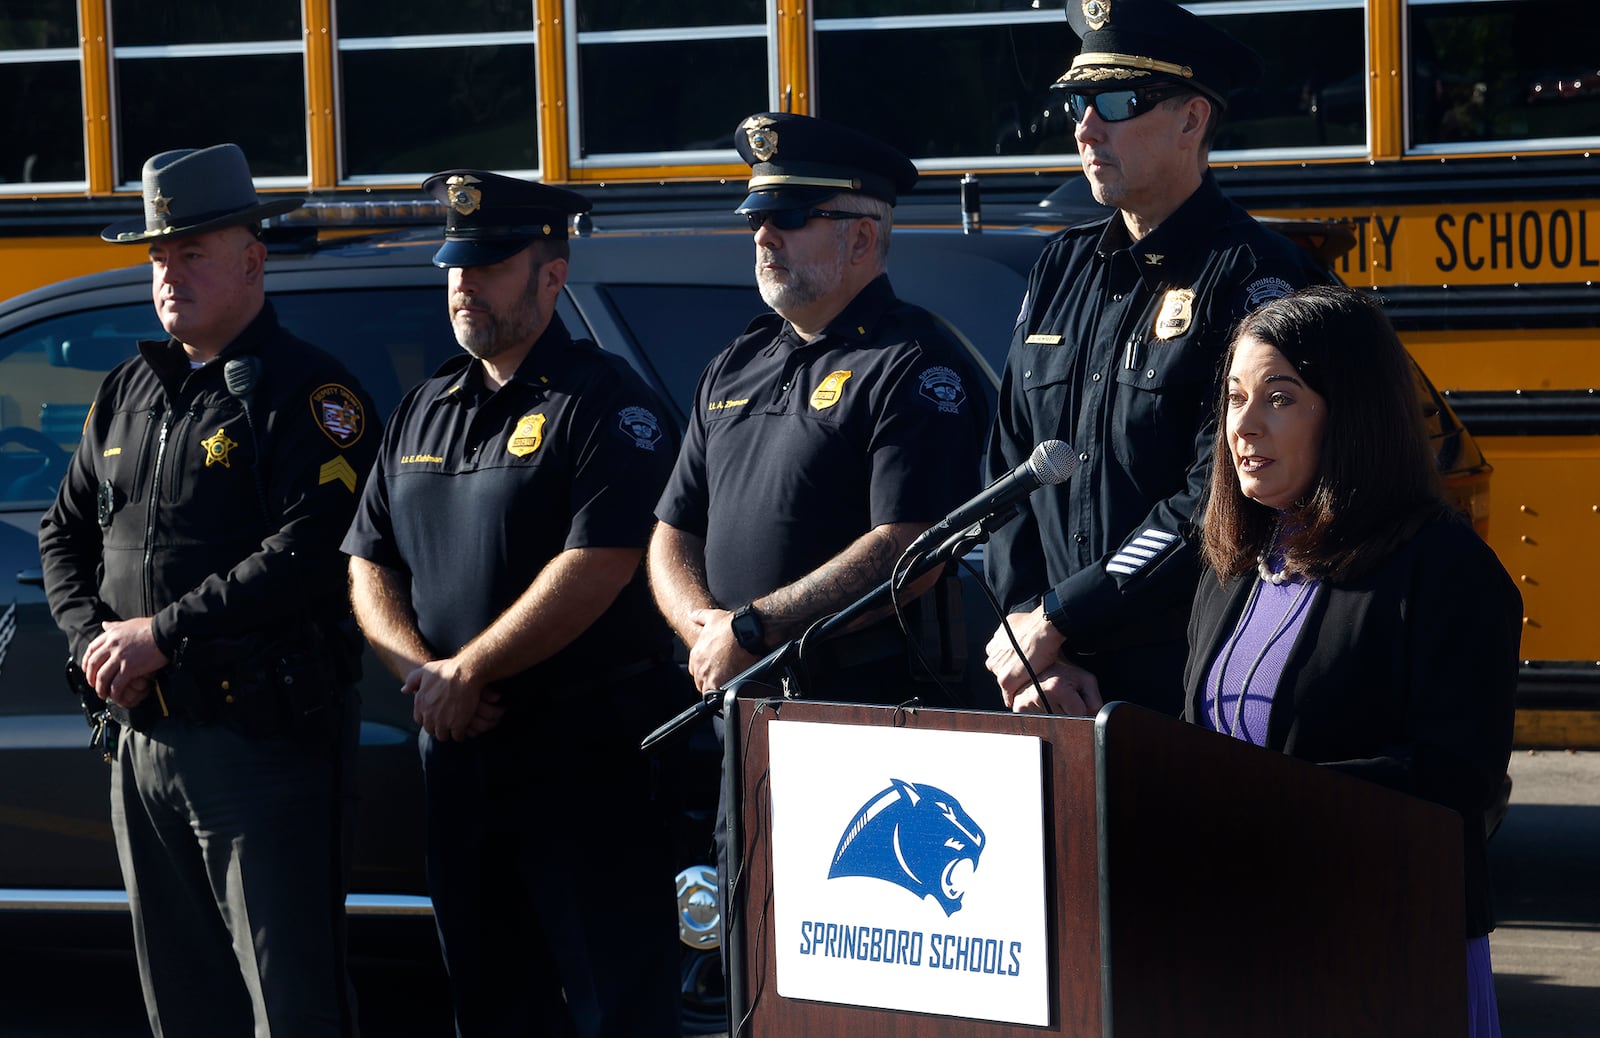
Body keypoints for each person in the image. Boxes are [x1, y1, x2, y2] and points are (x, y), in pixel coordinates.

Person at [38, 143, 375, 1037]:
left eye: (190, 250)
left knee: (289, 1001)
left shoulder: (310, 394)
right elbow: (62, 532)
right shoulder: (128, 390)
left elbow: (313, 548)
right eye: (157, 254)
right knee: (183, 1003)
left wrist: (163, 634)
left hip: (256, 743)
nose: (168, 273)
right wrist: (95, 645)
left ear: (252, 260)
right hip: (142, 734)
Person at [342, 170, 682, 1037]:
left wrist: (471, 669)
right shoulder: (425, 407)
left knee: (614, 1002)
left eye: (489, 265)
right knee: (489, 1000)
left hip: (583, 756)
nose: (463, 283)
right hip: (458, 755)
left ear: (552, 275)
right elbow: (367, 563)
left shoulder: (606, 405)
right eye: (456, 264)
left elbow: (601, 561)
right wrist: (424, 677)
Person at [1186, 285, 1517, 1033]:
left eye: (1280, 397)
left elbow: (1456, 777)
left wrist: (1255, 800)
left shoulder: (1442, 567)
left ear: (1352, 410)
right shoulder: (1234, 563)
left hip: (1382, 948)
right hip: (1238, 944)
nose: (1244, 425)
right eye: (1234, 398)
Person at [984, 0, 1330, 716]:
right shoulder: (1060, 268)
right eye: (1078, 101)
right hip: (1051, 679)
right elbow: (1009, 470)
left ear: (1192, 119)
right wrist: (1030, 633)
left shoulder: (1257, 277)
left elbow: (1223, 491)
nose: (1086, 127)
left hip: (1192, 678)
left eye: (1116, 99)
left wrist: (1060, 618)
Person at [649, 111, 987, 707]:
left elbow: (910, 548)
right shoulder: (735, 363)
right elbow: (674, 530)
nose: (763, 235)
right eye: (757, 217)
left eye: (791, 216)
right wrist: (704, 630)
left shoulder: (910, 363)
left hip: (858, 708)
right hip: (740, 702)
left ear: (860, 237)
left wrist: (755, 628)